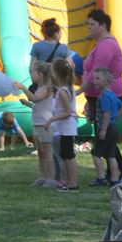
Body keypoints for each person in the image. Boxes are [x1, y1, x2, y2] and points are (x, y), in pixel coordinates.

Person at [82, 8, 122, 126]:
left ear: (103, 26)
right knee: (102, 131)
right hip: (98, 95)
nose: (89, 27)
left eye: (92, 24)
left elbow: (97, 70)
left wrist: (80, 90)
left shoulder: (107, 44)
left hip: (103, 96)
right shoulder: (102, 44)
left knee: (104, 131)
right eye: (88, 24)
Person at [87, 68, 122, 186]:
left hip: (105, 128)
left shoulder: (104, 96)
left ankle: (101, 177)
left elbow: (107, 113)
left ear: (107, 81)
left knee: (96, 153)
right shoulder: (112, 94)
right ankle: (114, 179)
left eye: (98, 79)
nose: (95, 81)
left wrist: (103, 129)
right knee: (111, 155)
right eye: (94, 78)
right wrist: (114, 120)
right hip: (113, 127)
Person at [48, 55, 79, 190]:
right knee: (64, 155)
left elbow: (68, 112)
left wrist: (52, 119)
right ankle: (69, 181)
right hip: (65, 127)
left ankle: (73, 183)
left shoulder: (63, 92)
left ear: (56, 73)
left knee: (69, 155)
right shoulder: (66, 89)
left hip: (67, 126)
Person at [27, 60, 58, 186]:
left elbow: (35, 99)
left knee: (46, 152)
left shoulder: (46, 88)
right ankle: (43, 177)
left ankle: (50, 178)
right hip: (37, 124)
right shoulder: (40, 88)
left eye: (32, 72)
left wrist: (23, 88)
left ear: (40, 75)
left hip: (45, 124)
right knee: (40, 153)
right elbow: (37, 105)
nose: (31, 74)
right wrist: (27, 103)